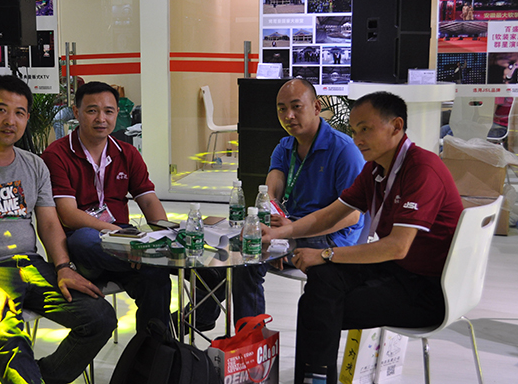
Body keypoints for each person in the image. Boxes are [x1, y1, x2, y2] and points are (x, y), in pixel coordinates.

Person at [262, 91, 463, 384]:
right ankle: (315, 377)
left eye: (366, 129)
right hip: (399, 272)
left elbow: (397, 247)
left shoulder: (422, 168)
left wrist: (325, 254)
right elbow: (331, 214)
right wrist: (280, 232)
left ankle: (314, 378)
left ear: (396, 126)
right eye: (355, 131)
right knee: (322, 282)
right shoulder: (375, 169)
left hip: (430, 290)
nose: (357, 140)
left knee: (318, 306)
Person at [0, 75, 117, 384]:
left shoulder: (34, 165)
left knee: (100, 317)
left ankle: (42, 377)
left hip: (31, 266)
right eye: (1, 110)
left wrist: (63, 267)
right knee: (9, 339)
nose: (11, 121)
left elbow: (49, 223)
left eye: (19, 113)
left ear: (27, 118)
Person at [186, 78, 365, 332]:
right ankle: (206, 316)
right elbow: (269, 194)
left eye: (296, 107)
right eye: (282, 109)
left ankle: (245, 336)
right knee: (224, 239)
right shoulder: (285, 146)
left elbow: (352, 216)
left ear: (316, 107)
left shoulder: (344, 150)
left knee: (247, 257)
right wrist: (276, 236)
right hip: (289, 229)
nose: (288, 115)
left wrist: (285, 237)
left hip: (331, 237)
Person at [41, 81, 171, 331]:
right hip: (84, 251)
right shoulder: (56, 155)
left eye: (109, 111)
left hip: (123, 249)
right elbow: (68, 215)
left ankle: (154, 348)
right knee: (85, 239)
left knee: (156, 276)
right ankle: (153, 258)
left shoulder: (127, 153)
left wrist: (165, 234)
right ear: (76, 112)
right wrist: (123, 237)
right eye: (92, 111)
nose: (101, 119)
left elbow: (148, 199)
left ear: (116, 113)